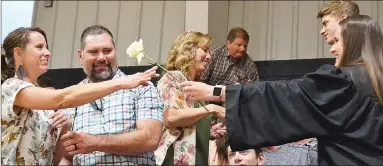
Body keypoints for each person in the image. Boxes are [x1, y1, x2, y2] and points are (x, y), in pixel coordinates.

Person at [180, 15, 383, 165]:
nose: (332, 49)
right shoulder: (376, 83)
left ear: (354, 44)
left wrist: (218, 92)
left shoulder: (344, 84)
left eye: (337, 41)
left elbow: (286, 95)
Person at [1, 27, 159, 165]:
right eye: (39, 47)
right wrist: (122, 83)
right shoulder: (11, 87)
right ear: (18, 53)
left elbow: (52, 159)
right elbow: (63, 98)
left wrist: (65, 128)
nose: (48, 53)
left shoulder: (47, 103)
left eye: (107, 50)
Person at [60, 25, 164, 165]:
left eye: (107, 51)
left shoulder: (141, 86)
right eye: (93, 52)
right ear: (80, 55)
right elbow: (66, 157)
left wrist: (95, 142)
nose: (102, 57)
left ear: (116, 51)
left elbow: (150, 139)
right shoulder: (72, 96)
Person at [154, 30, 225, 166]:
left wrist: (209, 131)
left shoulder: (196, 88)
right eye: (204, 50)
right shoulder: (172, 79)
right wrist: (211, 109)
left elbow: (188, 125)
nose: (209, 56)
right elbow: (171, 118)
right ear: (189, 50)